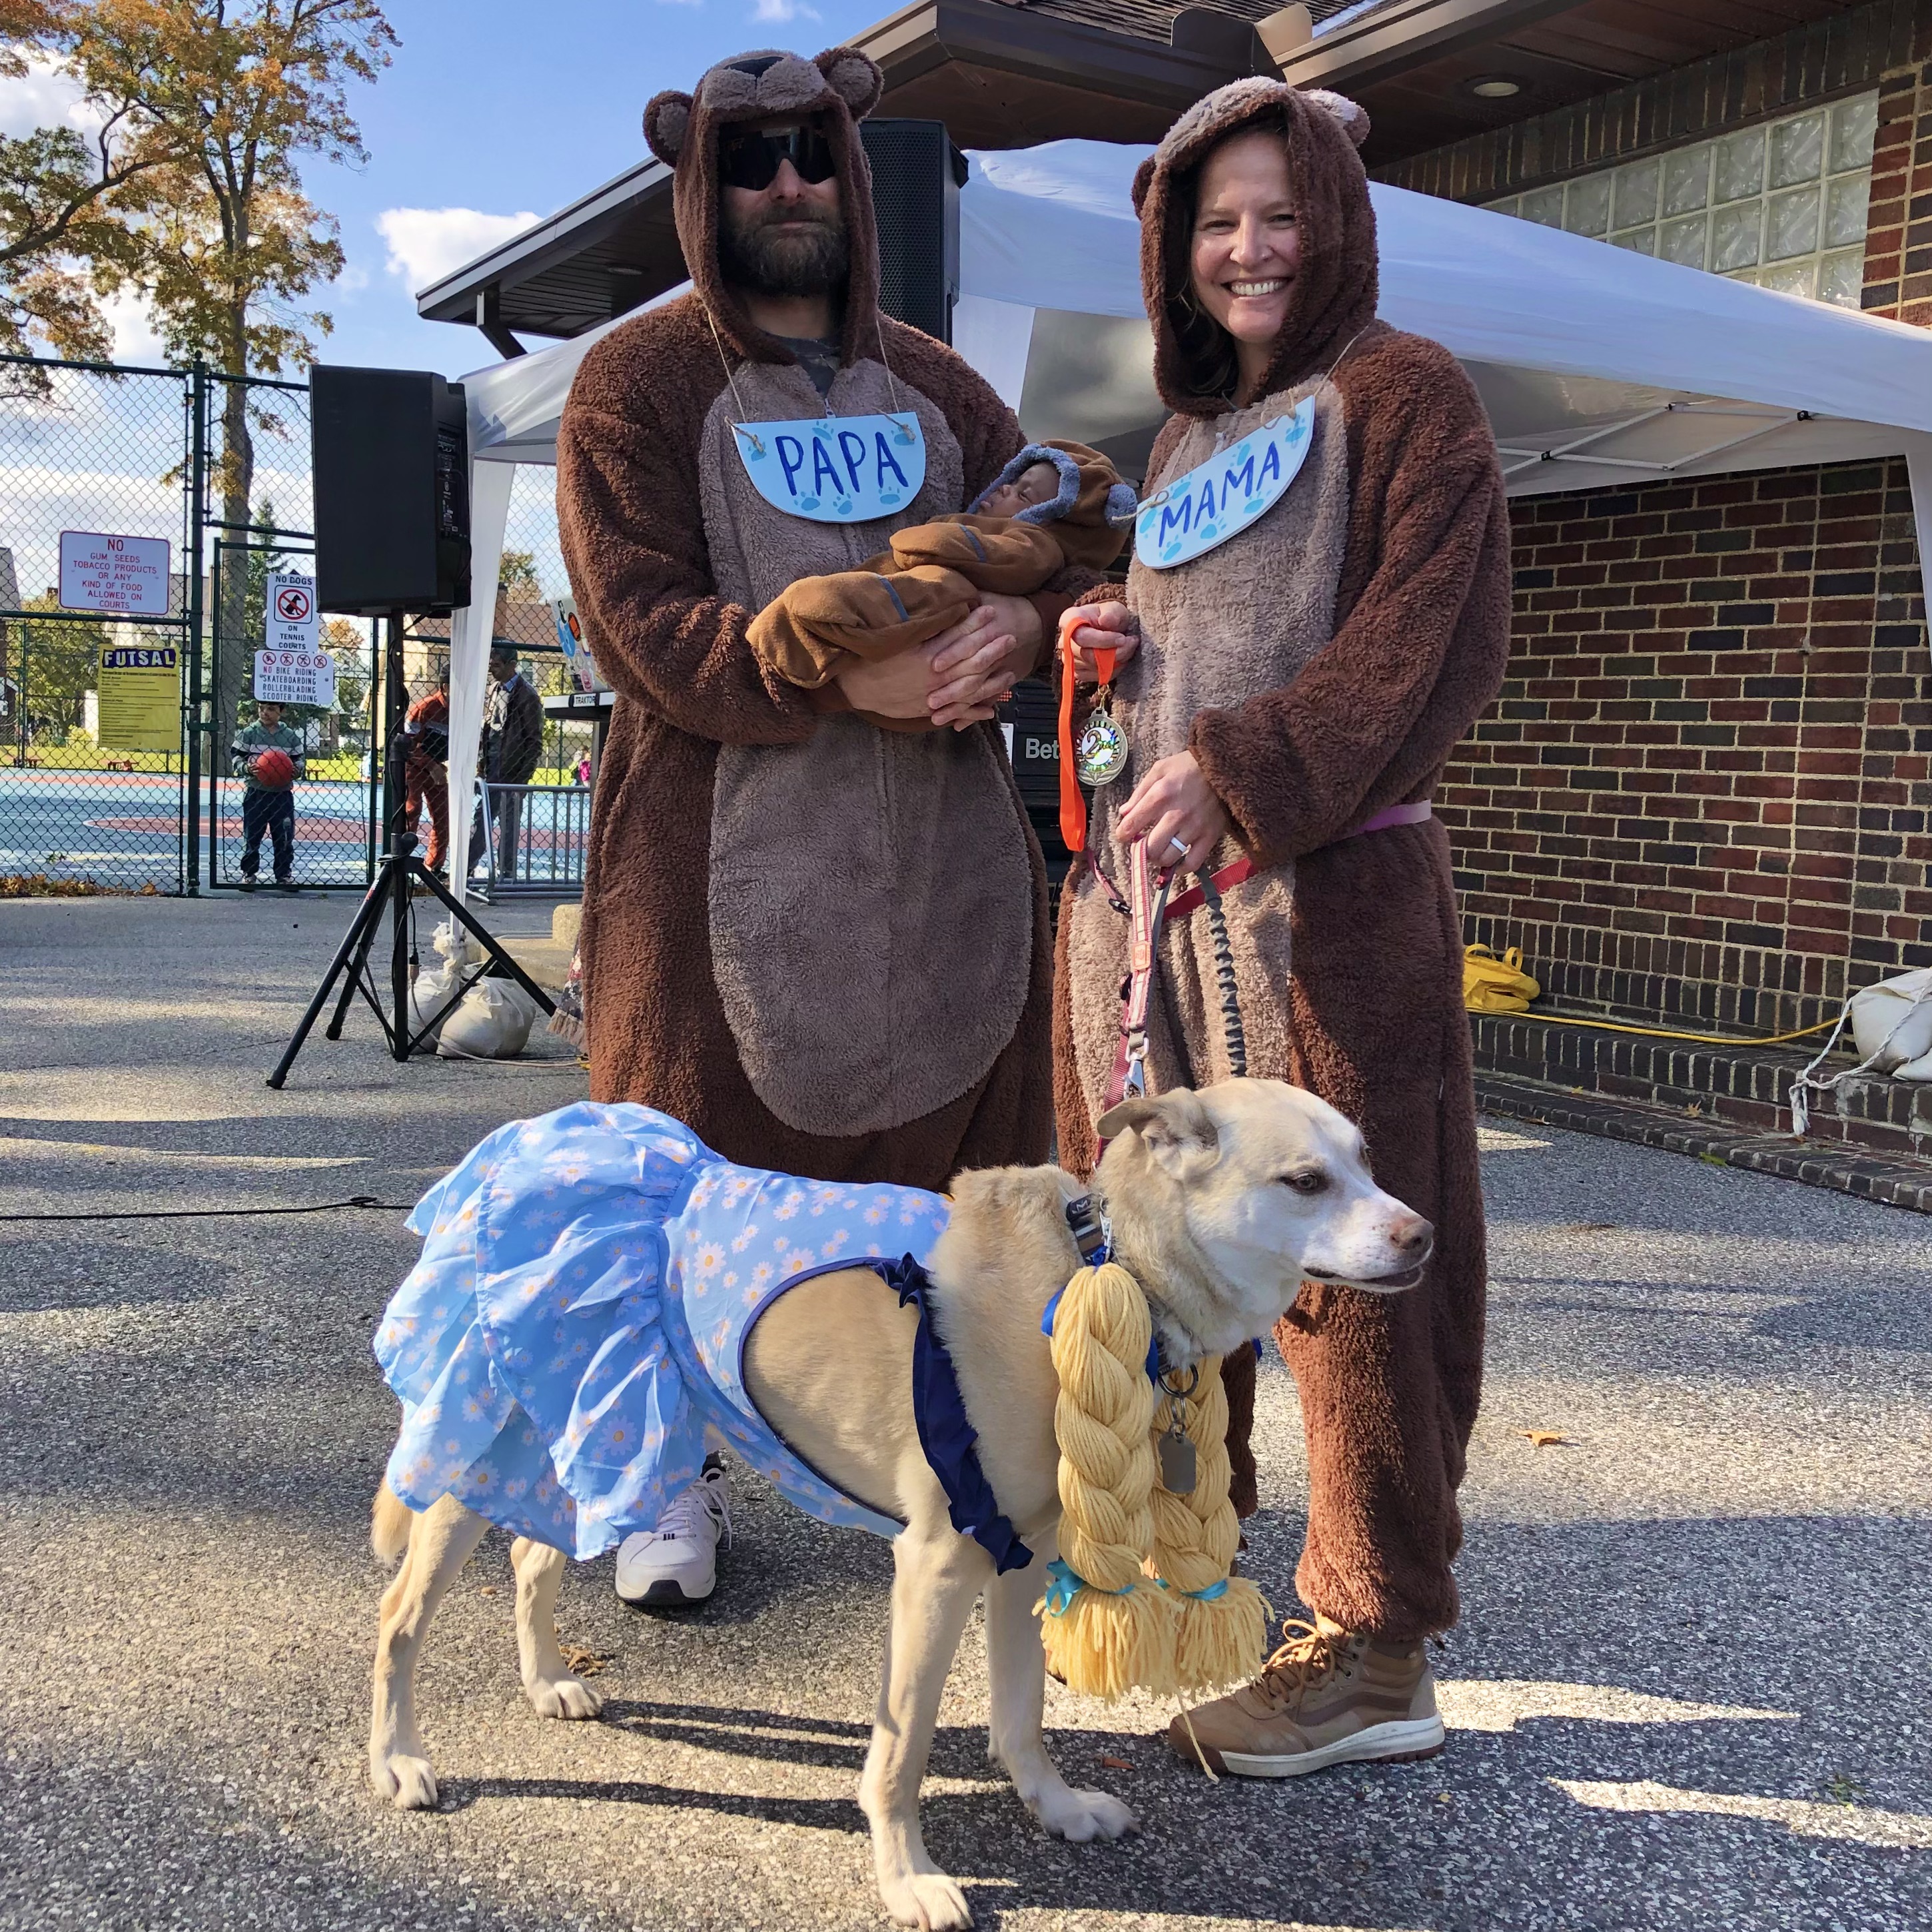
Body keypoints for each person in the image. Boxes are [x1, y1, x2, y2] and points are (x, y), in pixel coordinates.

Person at [554, 45, 1097, 1608]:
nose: (786, 182)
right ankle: (661, 1477)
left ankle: (963, 1456)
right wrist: (838, 675)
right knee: (673, 1179)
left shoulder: (935, 381)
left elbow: (1051, 525)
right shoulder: (635, 381)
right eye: (750, 158)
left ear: (853, 175)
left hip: (934, 871)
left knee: (957, 1188)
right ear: (700, 185)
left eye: (810, 152)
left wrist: (1025, 632)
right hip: (720, 866)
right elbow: (636, 614)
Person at [1054, 78, 1511, 1776]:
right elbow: (1209, 662)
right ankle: (1198, 1571)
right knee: (1187, 1249)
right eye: (1213, 221)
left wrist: (1239, 767)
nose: (1248, 249)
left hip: (1332, 913)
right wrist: (1123, 643)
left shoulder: (1405, 397)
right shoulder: (1182, 441)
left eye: (1277, 212)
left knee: (1366, 1264)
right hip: (1169, 919)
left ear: (1334, 213)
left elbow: (1422, 645)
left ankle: (1378, 1645)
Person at [745, 440, 1135, 716]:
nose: (1001, 491)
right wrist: (849, 688)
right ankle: (805, 633)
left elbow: (1051, 578)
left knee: (931, 592)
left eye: (1024, 495)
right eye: (1010, 482)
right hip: (913, 706)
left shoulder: (1033, 541)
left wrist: (1041, 623)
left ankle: (825, 623)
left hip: (950, 701)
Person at [470, 644, 544, 882]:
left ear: (512, 666)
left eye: (497, 665)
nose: (492, 670)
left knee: (509, 825)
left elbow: (534, 742)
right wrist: (482, 762)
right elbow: (488, 729)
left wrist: (522, 779)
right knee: (481, 820)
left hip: (511, 773)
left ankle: (507, 874)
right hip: (492, 769)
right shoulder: (494, 690)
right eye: (490, 665)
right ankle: (467, 867)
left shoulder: (527, 696)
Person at [231, 700, 304, 891]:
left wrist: (297, 770)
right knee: (252, 836)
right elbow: (236, 757)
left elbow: (300, 761)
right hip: (256, 792)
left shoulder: (290, 737)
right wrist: (246, 768)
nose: (264, 713)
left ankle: (283, 875)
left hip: (282, 795)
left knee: (284, 837)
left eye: (270, 709)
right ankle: (249, 874)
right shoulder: (249, 734)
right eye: (261, 709)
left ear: (281, 711)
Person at [401, 666, 451, 875]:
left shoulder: (464, 710)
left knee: (443, 819)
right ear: (445, 686)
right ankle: (401, 864)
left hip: (438, 768)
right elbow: (408, 746)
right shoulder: (425, 708)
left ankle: (434, 867)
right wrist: (430, 766)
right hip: (415, 767)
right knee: (411, 812)